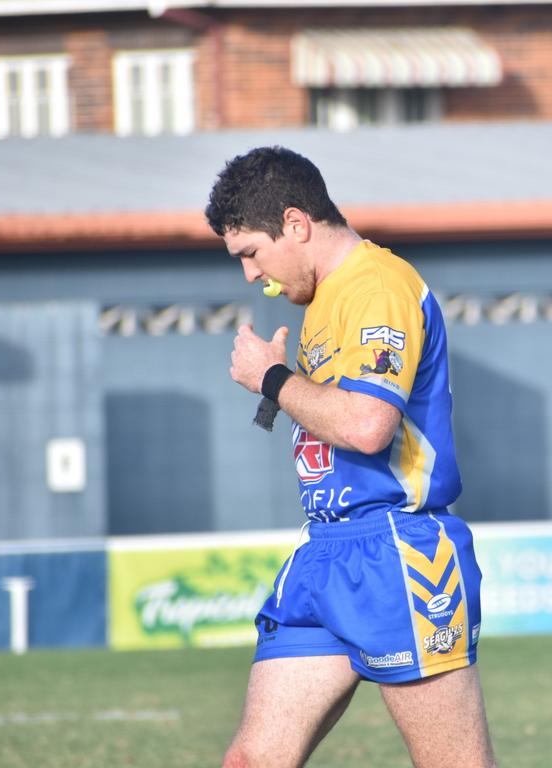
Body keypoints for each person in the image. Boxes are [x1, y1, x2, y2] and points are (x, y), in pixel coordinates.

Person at [204, 146, 496, 768]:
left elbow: (368, 427)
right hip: (327, 552)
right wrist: (278, 390)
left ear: (296, 224)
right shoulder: (323, 303)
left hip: (395, 550)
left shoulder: (379, 286)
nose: (251, 276)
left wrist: (273, 379)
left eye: (251, 254)